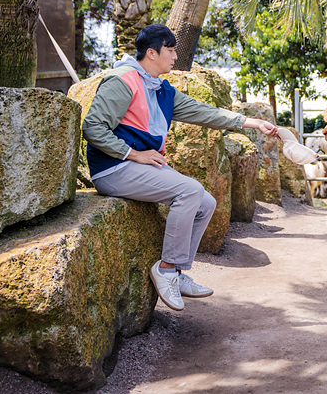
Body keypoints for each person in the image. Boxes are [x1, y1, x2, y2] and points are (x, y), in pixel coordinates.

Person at [82, 24, 278, 311]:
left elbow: (205, 113)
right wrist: (133, 154)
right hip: (112, 170)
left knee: (206, 202)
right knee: (190, 191)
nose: (175, 57)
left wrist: (253, 123)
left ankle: (176, 272)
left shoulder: (162, 89)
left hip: (138, 167)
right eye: (170, 50)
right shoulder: (122, 81)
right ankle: (165, 267)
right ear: (151, 53)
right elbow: (92, 127)